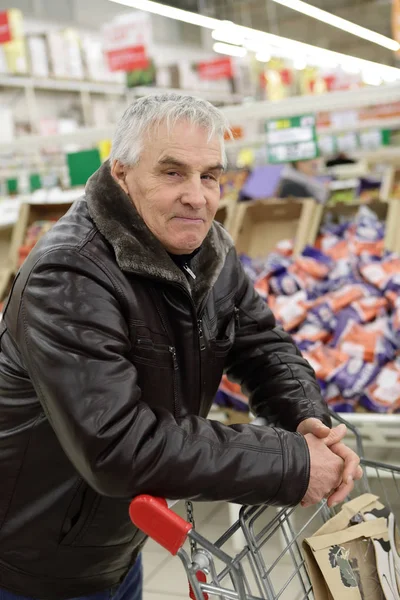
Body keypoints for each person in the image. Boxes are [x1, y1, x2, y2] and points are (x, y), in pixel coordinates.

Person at [0, 94, 362, 600]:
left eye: (210, 175)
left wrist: (305, 417)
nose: (197, 196)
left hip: (116, 541)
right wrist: (290, 463)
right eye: (172, 173)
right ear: (122, 174)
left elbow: (260, 344)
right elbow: (119, 446)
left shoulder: (207, 248)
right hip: (34, 564)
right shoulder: (69, 275)